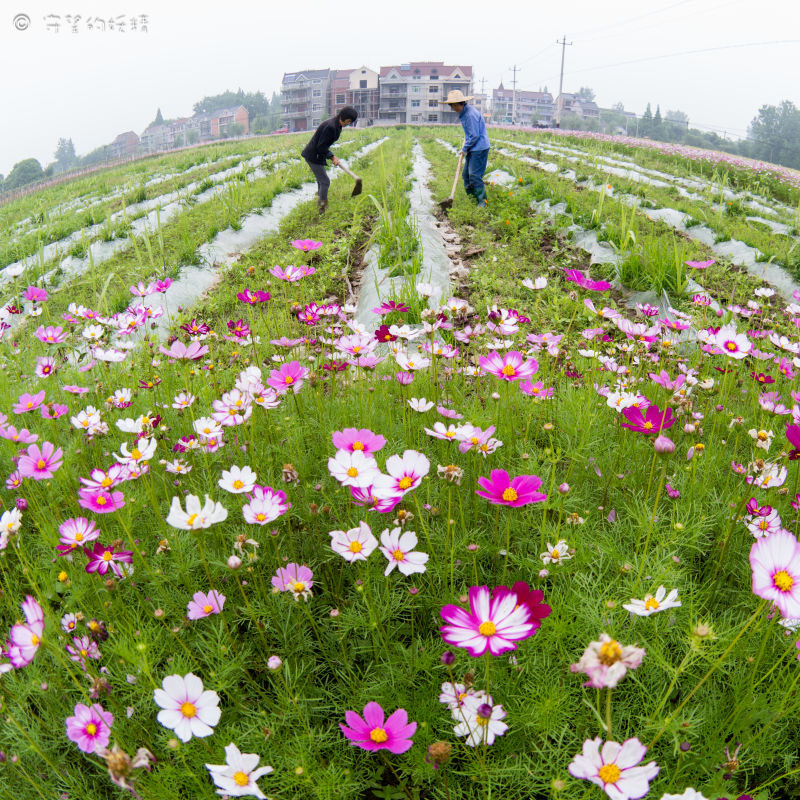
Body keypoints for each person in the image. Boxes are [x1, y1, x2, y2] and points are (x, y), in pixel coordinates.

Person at [301, 106, 358, 212]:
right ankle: (322, 207)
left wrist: (331, 156)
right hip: (313, 155)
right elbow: (321, 146)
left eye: (350, 122)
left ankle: (320, 203)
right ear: (343, 117)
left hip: (318, 154)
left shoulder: (337, 125)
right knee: (325, 181)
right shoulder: (331, 126)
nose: (348, 123)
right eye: (348, 121)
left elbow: (323, 146)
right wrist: (332, 157)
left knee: (321, 180)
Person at [441, 89, 490, 207]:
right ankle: (473, 200)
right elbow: (470, 133)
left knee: (474, 175)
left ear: (460, 104)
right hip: (473, 147)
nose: (452, 108)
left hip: (479, 148)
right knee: (466, 176)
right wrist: (467, 145)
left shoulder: (469, 115)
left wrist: (465, 148)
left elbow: (474, 135)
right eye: (451, 106)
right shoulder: (464, 112)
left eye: (453, 106)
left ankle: (482, 203)